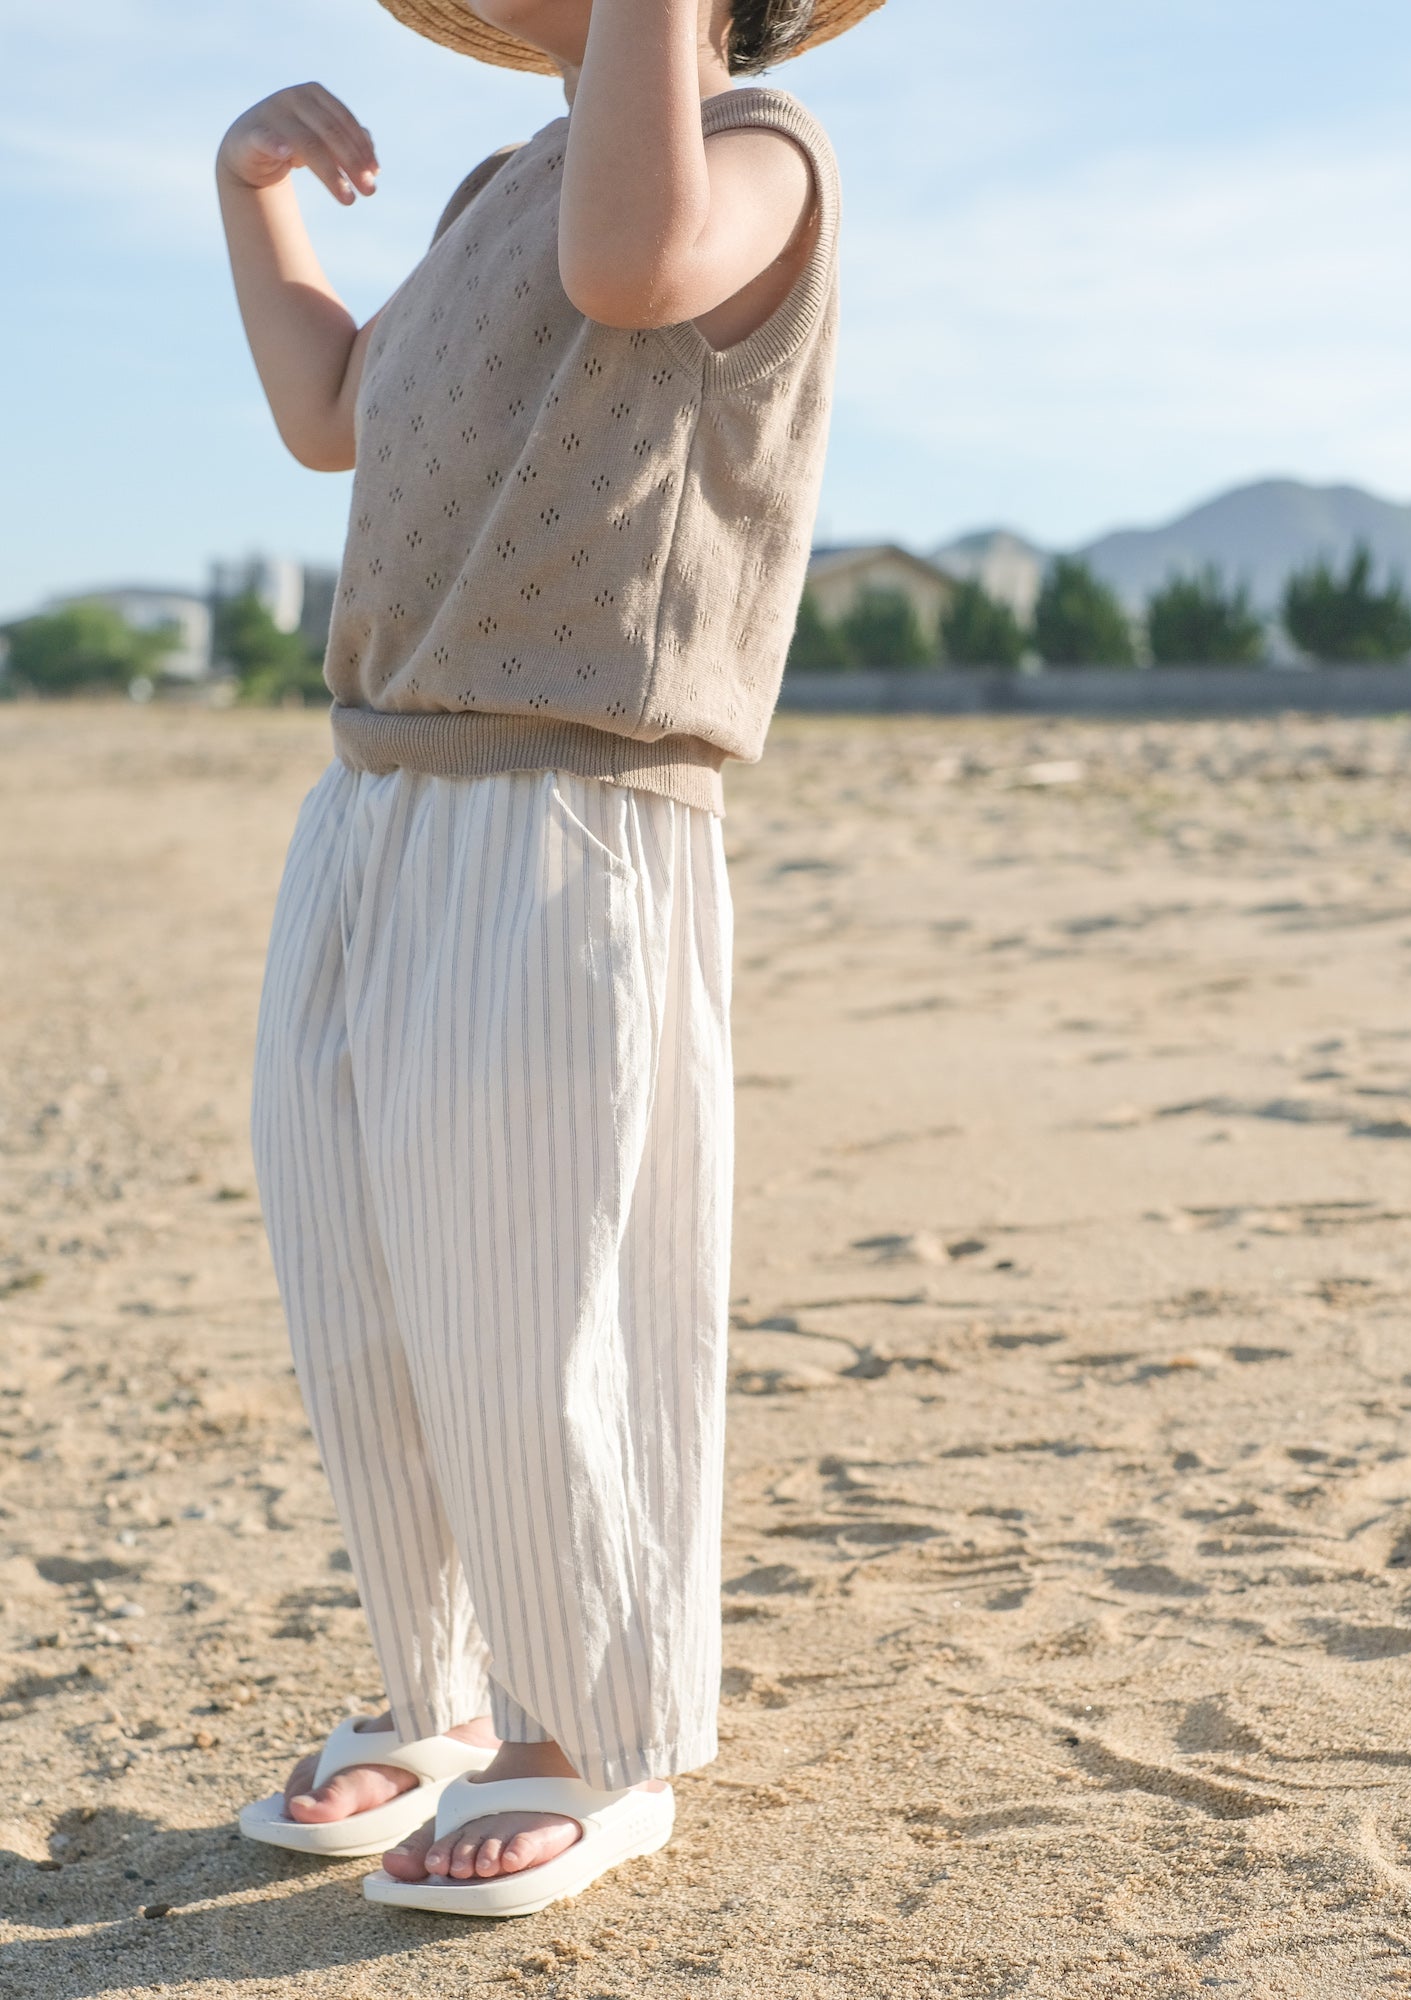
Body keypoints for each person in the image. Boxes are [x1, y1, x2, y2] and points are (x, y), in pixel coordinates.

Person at [217, 0, 879, 1923]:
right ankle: (443, 1691)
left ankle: (593, 1727)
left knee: (533, 1282)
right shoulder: (499, 188)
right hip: (378, 789)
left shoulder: (765, 158)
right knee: (369, 1274)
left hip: (571, 804)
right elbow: (335, 414)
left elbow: (635, 265)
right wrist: (257, 204)